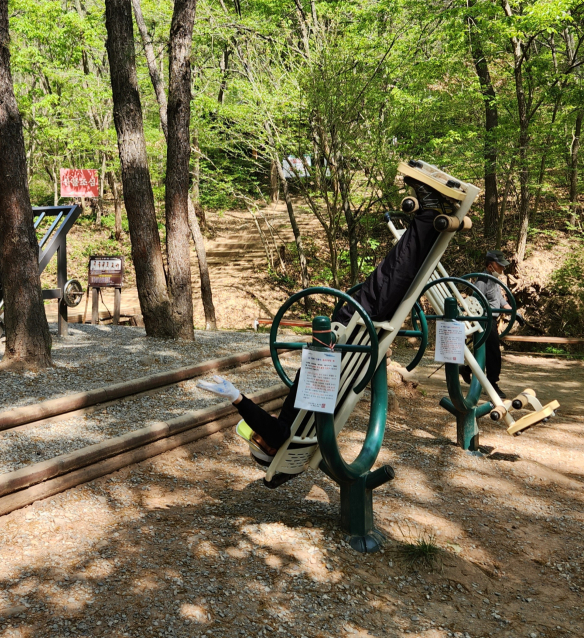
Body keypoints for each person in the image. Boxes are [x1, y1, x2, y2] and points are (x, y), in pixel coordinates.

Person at [198, 172, 461, 460]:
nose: (258, 432)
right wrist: (238, 399)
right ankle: (428, 215)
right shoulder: (285, 431)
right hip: (350, 337)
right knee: (390, 276)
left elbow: (275, 429)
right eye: (258, 437)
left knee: (392, 278)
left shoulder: (301, 431)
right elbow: (274, 431)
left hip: (351, 349)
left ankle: (430, 218)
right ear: (269, 447)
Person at [460, 250, 511, 398]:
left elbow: (500, 299)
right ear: (490, 266)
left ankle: (467, 370)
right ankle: (492, 383)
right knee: (493, 352)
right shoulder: (482, 281)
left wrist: (512, 310)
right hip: (485, 320)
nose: (503, 269)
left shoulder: (493, 280)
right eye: (500, 265)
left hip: (492, 320)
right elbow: (476, 301)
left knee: (485, 351)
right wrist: (481, 318)